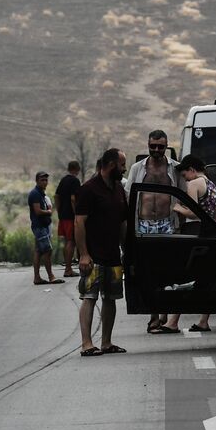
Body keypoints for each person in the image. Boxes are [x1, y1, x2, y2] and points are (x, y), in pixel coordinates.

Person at [126, 129, 184, 334]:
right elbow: (129, 197)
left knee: (167, 270)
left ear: (167, 146)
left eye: (161, 146)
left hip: (168, 223)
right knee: (148, 271)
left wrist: (181, 225)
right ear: (148, 145)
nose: (157, 150)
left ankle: (165, 315)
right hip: (144, 224)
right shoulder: (138, 169)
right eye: (153, 146)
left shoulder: (175, 169)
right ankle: (153, 317)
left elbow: (183, 197)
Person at [75, 148, 128, 356]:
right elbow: (79, 223)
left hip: (113, 255)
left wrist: (126, 248)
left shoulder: (118, 189)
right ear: (112, 165)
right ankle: (87, 343)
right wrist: (84, 254)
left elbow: (123, 222)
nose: (124, 169)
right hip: (93, 256)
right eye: (122, 165)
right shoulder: (88, 189)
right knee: (90, 297)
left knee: (111, 298)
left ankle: (106, 342)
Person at [168, 154, 216, 333]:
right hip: (210, 234)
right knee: (206, 279)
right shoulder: (212, 185)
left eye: (184, 175)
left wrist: (177, 207)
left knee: (185, 276)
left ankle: (172, 322)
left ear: (191, 170)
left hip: (195, 232)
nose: (184, 179)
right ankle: (203, 321)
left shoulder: (194, 184)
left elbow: (194, 212)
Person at [28, 171, 63, 284]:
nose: (45, 182)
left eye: (46, 180)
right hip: (39, 226)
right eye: (42, 180)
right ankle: (51, 276)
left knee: (39, 251)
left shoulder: (41, 193)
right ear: (37, 181)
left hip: (43, 226)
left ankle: (37, 277)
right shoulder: (35, 194)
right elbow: (37, 211)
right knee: (48, 250)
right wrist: (48, 212)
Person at [55, 160, 82, 277]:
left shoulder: (63, 180)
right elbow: (73, 199)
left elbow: (56, 196)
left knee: (67, 241)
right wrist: (76, 214)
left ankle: (67, 267)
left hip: (63, 216)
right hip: (71, 216)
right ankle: (68, 269)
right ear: (77, 169)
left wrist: (59, 211)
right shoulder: (75, 181)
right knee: (71, 242)